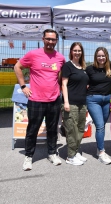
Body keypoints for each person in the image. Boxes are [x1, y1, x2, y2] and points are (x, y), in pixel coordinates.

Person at [14, 29, 65, 171]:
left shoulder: (60, 57)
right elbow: (17, 66)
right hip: (36, 99)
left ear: (56, 41)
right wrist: (23, 86)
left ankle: (52, 153)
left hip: (54, 99)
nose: (50, 42)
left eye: (53, 39)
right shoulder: (33, 54)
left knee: (52, 129)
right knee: (32, 129)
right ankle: (29, 156)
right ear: (43, 39)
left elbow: (62, 76)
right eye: (48, 39)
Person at [86, 47, 111, 165]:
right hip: (93, 100)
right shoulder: (89, 69)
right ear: (95, 57)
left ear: (106, 56)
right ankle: (101, 152)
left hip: (107, 99)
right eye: (99, 56)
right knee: (99, 126)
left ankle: (99, 147)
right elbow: (83, 83)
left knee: (102, 125)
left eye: (103, 56)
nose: (101, 58)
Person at [61, 42, 89, 166]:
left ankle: (76, 151)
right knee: (71, 130)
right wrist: (66, 102)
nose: (77, 53)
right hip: (70, 103)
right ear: (71, 51)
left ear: (82, 52)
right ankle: (70, 156)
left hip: (82, 104)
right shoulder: (68, 66)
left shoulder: (83, 67)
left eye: (79, 50)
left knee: (81, 129)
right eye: (75, 50)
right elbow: (64, 84)